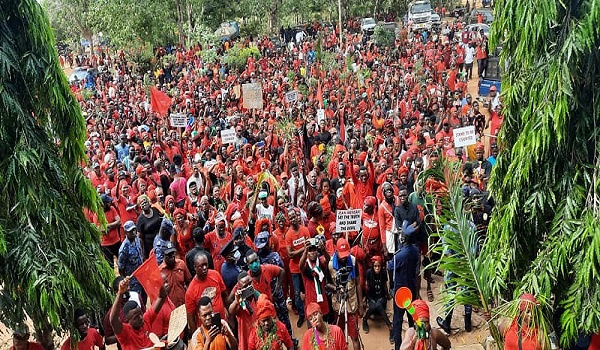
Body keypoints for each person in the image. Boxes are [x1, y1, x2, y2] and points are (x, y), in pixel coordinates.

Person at [109, 276, 169, 350]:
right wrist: (120, 293)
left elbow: (161, 297)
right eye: (136, 317)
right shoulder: (125, 332)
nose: (141, 318)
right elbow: (113, 319)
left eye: (140, 313)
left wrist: (160, 283)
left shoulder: (146, 319)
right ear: (128, 319)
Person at [328, 238, 364, 350]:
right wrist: (337, 288)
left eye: (346, 254)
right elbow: (327, 284)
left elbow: (358, 283)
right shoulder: (330, 265)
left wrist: (361, 304)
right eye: (341, 255)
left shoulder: (353, 261)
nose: (344, 258)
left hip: (352, 304)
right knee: (339, 335)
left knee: (354, 336)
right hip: (338, 304)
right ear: (336, 251)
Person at [388, 228, 419, 350]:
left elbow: (390, 268)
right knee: (412, 317)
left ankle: (398, 347)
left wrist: (391, 285)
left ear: (404, 238)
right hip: (411, 291)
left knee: (398, 321)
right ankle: (413, 344)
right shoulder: (415, 251)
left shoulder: (399, 255)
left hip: (400, 293)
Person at [185, 254, 229, 332]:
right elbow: (191, 318)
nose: (205, 268)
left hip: (222, 324)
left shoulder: (215, 275)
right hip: (207, 331)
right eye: (201, 266)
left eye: (206, 264)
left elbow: (225, 295)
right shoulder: (190, 291)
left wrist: (229, 315)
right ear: (195, 267)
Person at [285, 208, 310, 327]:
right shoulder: (288, 235)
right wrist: (303, 249)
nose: (293, 219)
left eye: (294, 216)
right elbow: (290, 254)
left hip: (305, 266)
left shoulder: (305, 230)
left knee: (308, 290)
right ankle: (301, 315)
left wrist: (301, 251)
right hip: (294, 269)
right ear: (288, 220)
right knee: (296, 293)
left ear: (297, 217)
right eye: (290, 218)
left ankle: (310, 311)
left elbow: (309, 246)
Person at [363, 256, 393, 343]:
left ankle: (390, 327)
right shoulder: (369, 273)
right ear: (372, 266)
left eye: (379, 266)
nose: (377, 268)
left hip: (381, 297)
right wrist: (365, 298)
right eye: (375, 266)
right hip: (372, 297)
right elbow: (367, 286)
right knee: (374, 306)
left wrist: (387, 295)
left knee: (379, 305)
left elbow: (384, 285)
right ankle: (365, 320)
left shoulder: (383, 273)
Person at [228, 271, 260, 350]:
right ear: (240, 288)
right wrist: (236, 301)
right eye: (246, 286)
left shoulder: (257, 295)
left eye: (250, 283)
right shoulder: (240, 302)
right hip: (247, 339)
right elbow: (231, 311)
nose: (249, 287)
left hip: (259, 337)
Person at [159, 241, 192, 307]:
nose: (172, 256)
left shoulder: (181, 264)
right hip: (171, 309)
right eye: (169, 254)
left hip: (184, 304)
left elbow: (189, 282)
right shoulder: (160, 272)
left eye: (173, 253)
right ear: (163, 255)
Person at [118, 220, 144, 295]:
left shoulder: (137, 239)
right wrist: (126, 281)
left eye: (134, 230)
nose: (133, 232)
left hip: (141, 275)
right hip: (133, 280)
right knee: (137, 298)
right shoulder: (124, 249)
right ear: (126, 233)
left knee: (144, 296)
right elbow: (121, 268)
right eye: (130, 231)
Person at [136, 194, 163, 259]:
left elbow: (162, 220)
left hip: (161, 239)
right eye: (141, 203)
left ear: (148, 202)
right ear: (140, 207)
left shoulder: (155, 209)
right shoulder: (140, 219)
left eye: (145, 202)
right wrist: (143, 253)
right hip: (150, 246)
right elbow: (139, 237)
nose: (144, 204)